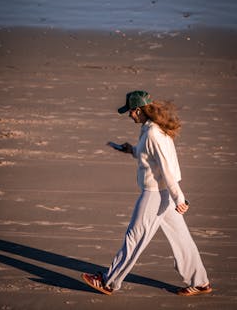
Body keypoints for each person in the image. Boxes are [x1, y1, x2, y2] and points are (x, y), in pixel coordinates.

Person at [81, 90, 212, 296]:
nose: (129, 115)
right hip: (165, 194)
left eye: (131, 111)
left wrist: (179, 198)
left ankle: (108, 282)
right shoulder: (152, 129)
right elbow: (149, 156)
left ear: (139, 110)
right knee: (182, 238)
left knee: (134, 238)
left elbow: (166, 169)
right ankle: (200, 282)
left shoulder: (152, 134)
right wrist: (130, 150)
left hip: (156, 194)